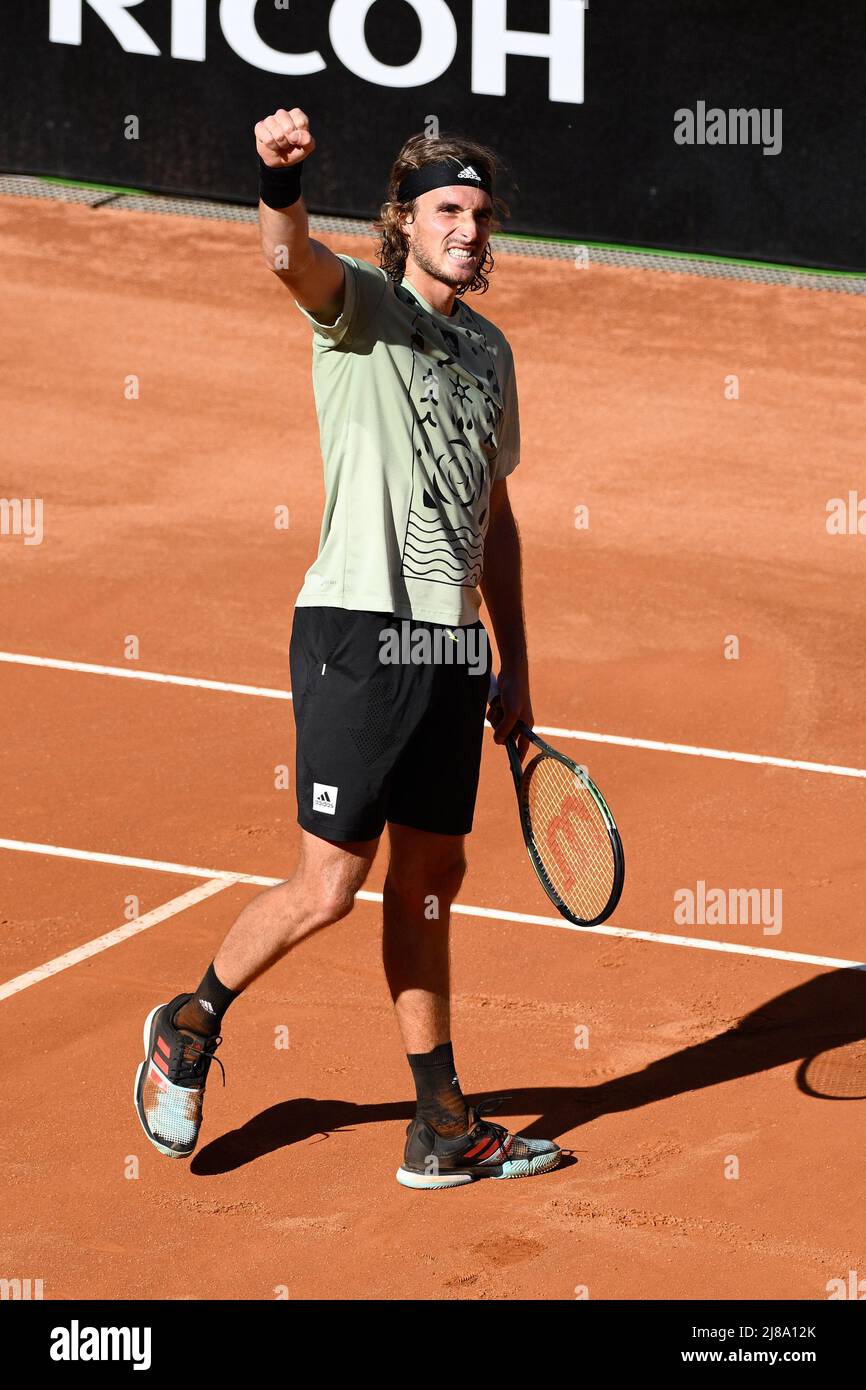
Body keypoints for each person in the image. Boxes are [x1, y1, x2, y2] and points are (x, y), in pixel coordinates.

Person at [134, 108, 560, 1189]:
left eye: (477, 213)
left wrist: (510, 664)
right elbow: (289, 257)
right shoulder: (360, 312)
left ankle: (440, 1123)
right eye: (445, 212)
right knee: (330, 883)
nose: (466, 229)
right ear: (402, 224)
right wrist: (278, 178)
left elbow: (491, 518)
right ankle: (188, 1022)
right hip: (359, 632)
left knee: (430, 880)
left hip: (451, 648)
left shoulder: (489, 350)